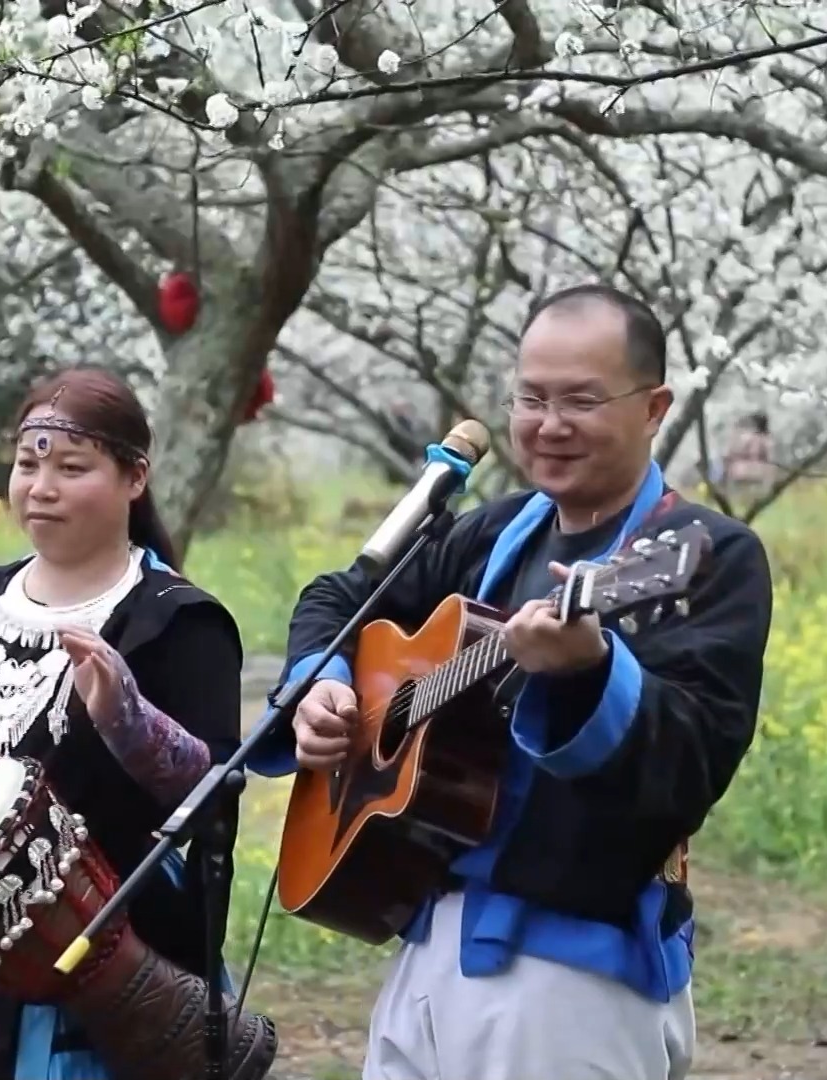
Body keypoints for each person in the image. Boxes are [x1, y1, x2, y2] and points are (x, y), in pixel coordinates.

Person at [249, 284, 774, 1080]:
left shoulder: (703, 555)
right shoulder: (495, 530)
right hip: (428, 941)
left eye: (581, 401)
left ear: (654, 408)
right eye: (531, 398)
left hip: (572, 977)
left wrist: (590, 671)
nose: (548, 424)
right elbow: (339, 598)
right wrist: (321, 681)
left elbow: (690, 765)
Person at [0, 366, 254, 1080]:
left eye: (72, 469)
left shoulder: (177, 620)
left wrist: (127, 719)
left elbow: (214, 791)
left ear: (135, 478)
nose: (41, 488)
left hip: (100, 957)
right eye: (27, 465)